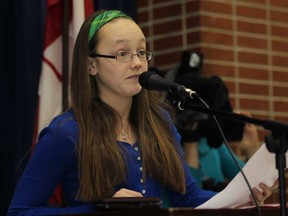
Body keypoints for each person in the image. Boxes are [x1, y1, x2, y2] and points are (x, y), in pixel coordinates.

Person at [7, 10, 277, 216]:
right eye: (122, 53)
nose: (137, 63)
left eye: (141, 51)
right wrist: (100, 210)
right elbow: (20, 211)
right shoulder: (65, 133)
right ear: (91, 65)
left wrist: (241, 197)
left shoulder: (160, 123)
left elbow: (189, 198)